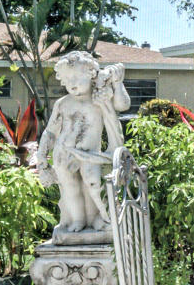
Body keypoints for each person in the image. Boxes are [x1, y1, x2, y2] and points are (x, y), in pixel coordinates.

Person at [36, 51, 129, 233]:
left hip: (90, 154)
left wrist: (117, 84)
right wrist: (41, 156)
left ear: (91, 75)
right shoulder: (63, 103)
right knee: (70, 189)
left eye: (78, 78)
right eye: (68, 79)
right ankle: (77, 221)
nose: (73, 84)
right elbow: (51, 131)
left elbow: (122, 105)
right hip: (63, 153)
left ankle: (102, 218)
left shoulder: (99, 99)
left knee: (94, 184)